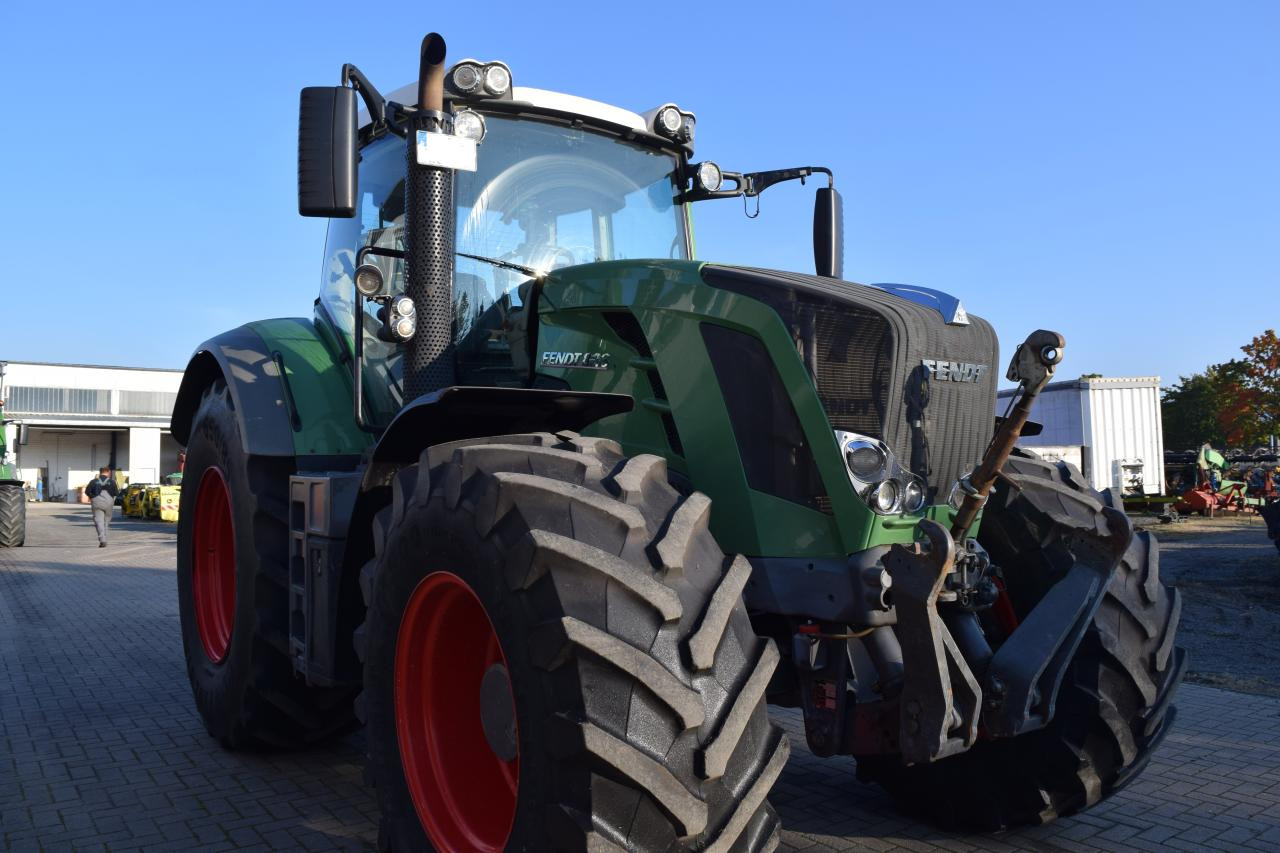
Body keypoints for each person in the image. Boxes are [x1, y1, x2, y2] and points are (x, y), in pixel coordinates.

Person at [86, 467, 119, 547]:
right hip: (108, 503)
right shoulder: (112, 482)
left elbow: (87, 492)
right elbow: (116, 493)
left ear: (100, 472)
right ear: (108, 472)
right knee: (106, 522)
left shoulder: (93, 481)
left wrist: (93, 497)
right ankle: (105, 538)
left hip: (97, 503)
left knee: (99, 522)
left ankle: (102, 540)